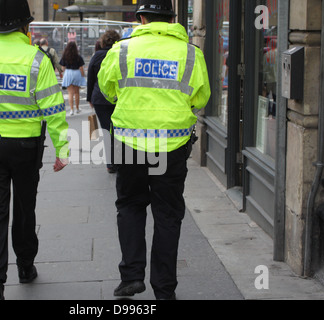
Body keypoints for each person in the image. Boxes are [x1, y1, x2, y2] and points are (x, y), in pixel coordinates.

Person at [98, 0, 211, 300]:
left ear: (142, 18)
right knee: (167, 215)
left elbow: (107, 89)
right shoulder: (190, 53)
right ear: (171, 18)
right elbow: (201, 98)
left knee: (130, 205)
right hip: (171, 146)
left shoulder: (121, 50)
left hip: (128, 142)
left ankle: (132, 276)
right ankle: (164, 290)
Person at [0, 0, 69, 300]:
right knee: (23, 209)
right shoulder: (36, 59)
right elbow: (53, 109)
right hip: (25, 147)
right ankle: (25, 266)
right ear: (25, 26)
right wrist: (62, 149)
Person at [87, 30, 121, 173]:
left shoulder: (97, 56)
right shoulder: (120, 55)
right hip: (117, 98)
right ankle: (120, 161)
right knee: (119, 130)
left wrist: (89, 98)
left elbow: (91, 78)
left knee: (106, 130)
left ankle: (110, 163)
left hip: (100, 98)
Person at [59, 41, 86, 116]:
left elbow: (63, 68)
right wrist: (83, 75)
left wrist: (64, 72)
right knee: (77, 92)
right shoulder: (78, 57)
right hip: (77, 73)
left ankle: (71, 110)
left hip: (68, 73)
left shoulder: (65, 56)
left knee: (70, 93)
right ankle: (77, 108)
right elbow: (81, 67)